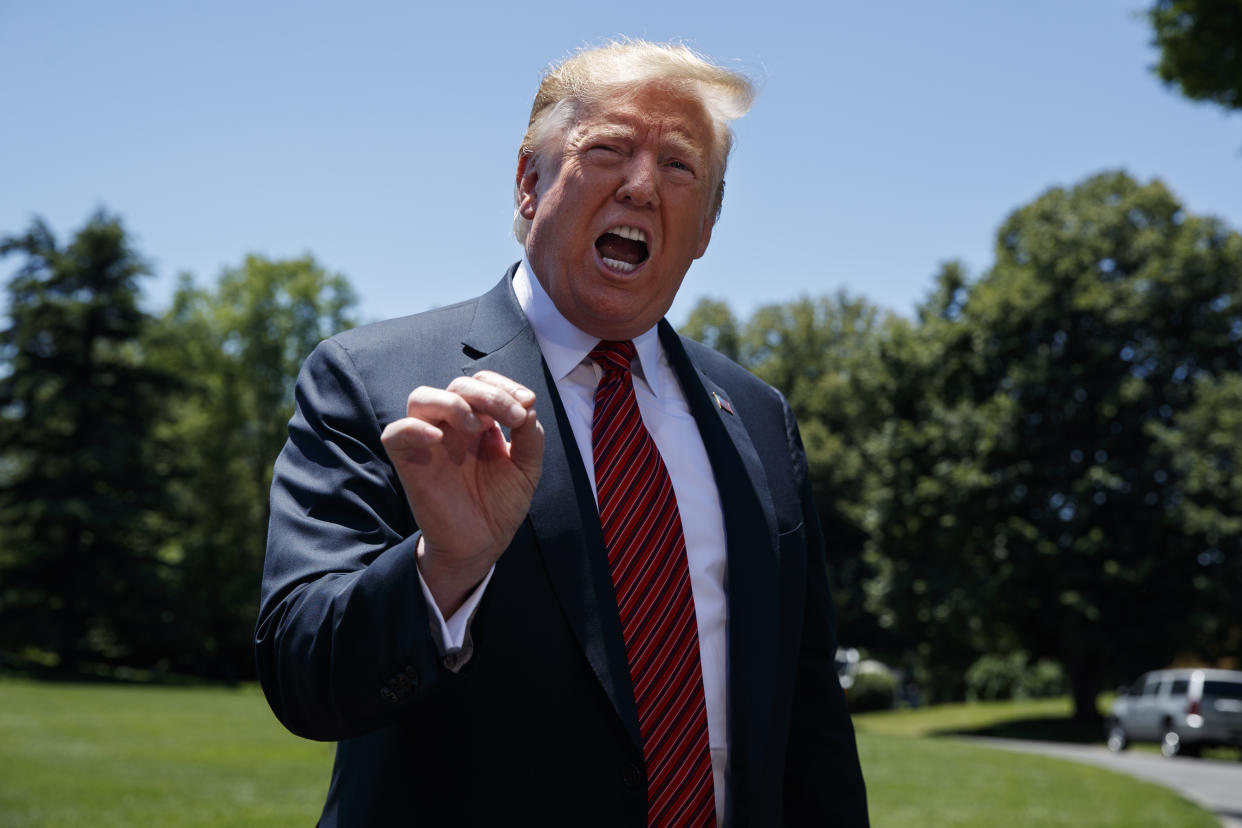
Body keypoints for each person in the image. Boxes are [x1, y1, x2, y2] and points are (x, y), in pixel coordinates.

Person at [256, 40, 869, 827]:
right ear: (528, 181)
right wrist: (443, 568)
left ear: (708, 225)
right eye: (608, 149)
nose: (643, 187)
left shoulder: (756, 416)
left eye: (681, 168)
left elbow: (809, 715)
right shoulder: (374, 380)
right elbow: (303, 676)